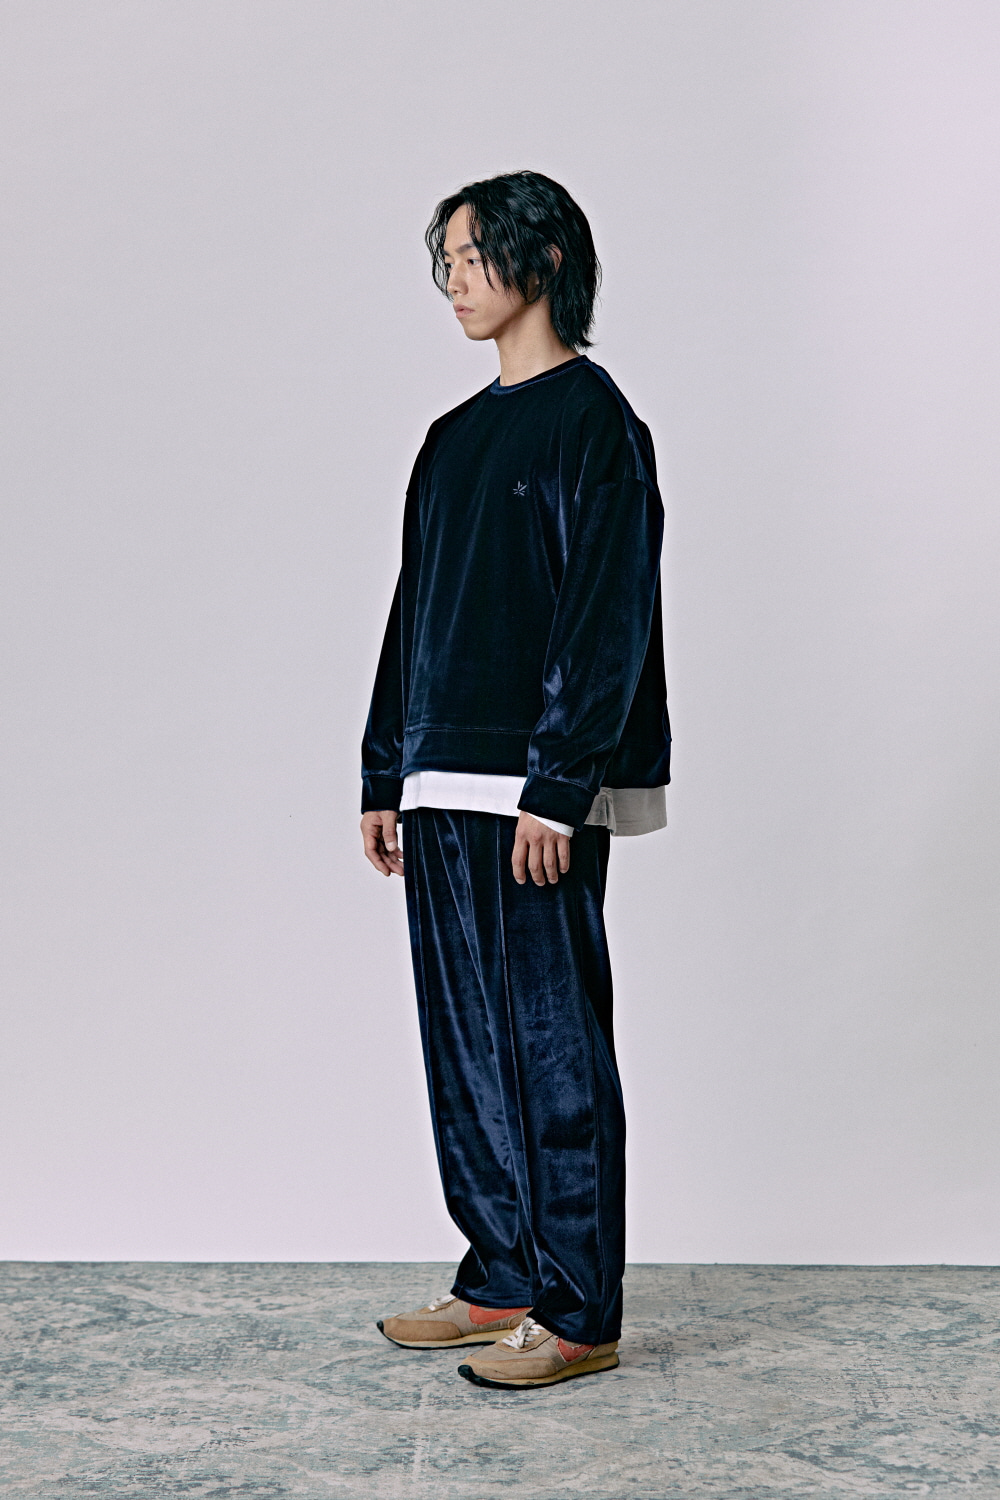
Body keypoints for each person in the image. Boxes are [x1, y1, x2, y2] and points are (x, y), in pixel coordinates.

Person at [359, 170, 670, 1390]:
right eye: (443, 262)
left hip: (533, 788)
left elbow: (606, 614)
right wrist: (383, 768)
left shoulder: (597, 423)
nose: (453, 282)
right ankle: (499, 1277)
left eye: (470, 257)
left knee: (551, 1050)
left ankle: (579, 1310)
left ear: (539, 261)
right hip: (440, 779)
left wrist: (559, 783)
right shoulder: (449, 441)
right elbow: (414, 613)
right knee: (465, 1048)